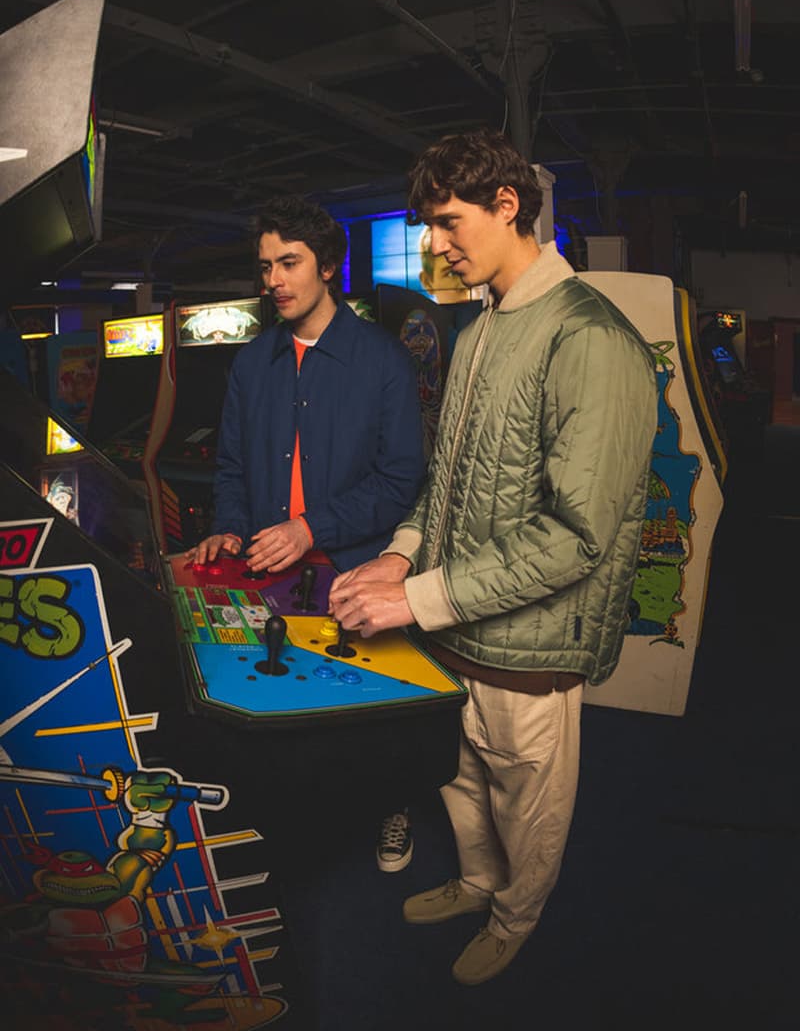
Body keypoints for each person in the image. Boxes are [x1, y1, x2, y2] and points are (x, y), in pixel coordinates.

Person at [329, 127, 658, 986]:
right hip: (458, 624)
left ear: (507, 205)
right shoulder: (476, 333)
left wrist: (419, 599)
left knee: (527, 800)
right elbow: (445, 484)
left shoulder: (589, 338)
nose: (435, 246)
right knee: (460, 778)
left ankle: (515, 917)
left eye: (446, 222)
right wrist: (401, 557)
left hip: (530, 641)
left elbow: (577, 537)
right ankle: (477, 885)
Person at [187, 194, 425, 578]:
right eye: (266, 267)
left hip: (353, 574)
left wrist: (310, 528)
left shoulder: (385, 359)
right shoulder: (251, 362)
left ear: (327, 266)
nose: (273, 281)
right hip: (263, 568)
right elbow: (232, 469)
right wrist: (228, 529)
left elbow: (399, 482)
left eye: (289, 263)